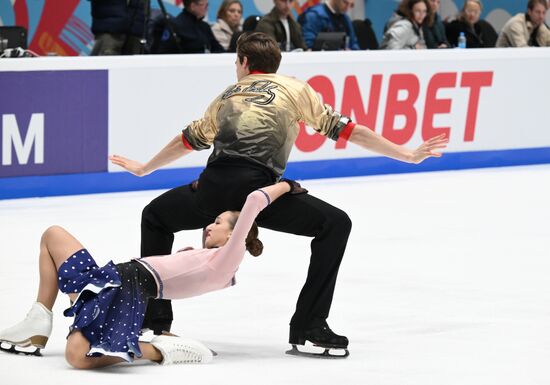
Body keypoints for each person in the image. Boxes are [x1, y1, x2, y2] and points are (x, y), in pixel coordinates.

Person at [109, 32, 448, 357]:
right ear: (275, 63)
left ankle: (153, 323)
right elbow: (348, 130)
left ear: (243, 61)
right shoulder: (297, 89)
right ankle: (309, 327)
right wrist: (407, 154)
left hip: (212, 186)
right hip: (257, 190)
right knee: (335, 223)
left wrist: (146, 168)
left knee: (155, 215)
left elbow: (187, 140)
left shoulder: (228, 94)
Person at [0, 182, 294, 368]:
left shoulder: (227, 258)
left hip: (129, 287)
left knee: (77, 356)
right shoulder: (203, 255)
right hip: (116, 277)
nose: (209, 226)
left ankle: (158, 350)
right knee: (53, 235)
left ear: (235, 232)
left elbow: (255, 200)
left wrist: (286, 186)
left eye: (218, 223)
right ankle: (38, 320)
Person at [156, 0, 224, 54]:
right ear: (193, 6)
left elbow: (218, 49)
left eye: (207, 4)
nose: (207, 8)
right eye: (204, 5)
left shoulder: (204, 26)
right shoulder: (175, 26)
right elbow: (163, 53)